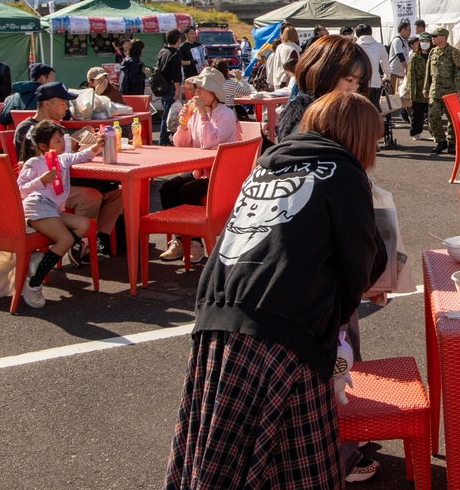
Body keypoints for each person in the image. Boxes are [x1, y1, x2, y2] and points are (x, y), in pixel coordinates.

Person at [164, 92, 388, 489]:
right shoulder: (344, 173)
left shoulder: (265, 168)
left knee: (218, 459)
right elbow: (361, 264)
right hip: (283, 331)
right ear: (360, 137)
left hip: (216, 321)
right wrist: (336, 319)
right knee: (298, 471)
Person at [17, 121, 104, 308]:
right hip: (36, 206)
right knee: (64, 239)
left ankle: (42, 259)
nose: (63, 144)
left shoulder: (63, 159)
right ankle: (34, 283)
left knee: (83, 224)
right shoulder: (35, 162)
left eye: (62, 139)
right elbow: (19, 189)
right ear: (42, 146)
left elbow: (81, 155)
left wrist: (97, 146)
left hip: (52, 209)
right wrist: (41, 180)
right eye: (57, 141)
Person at [159, 68, 239, 262]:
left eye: (202, 89)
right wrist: (184, 124)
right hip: (200, 171)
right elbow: (182, 145)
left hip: (220, 174)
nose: (197, 94)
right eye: (196, 89)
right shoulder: (195, 114)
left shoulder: (226, 114)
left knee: (188, 190)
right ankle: (179, 239)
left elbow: (210, 141)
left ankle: (196, 241)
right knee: (167, 188)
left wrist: (203, 115)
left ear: (214, 93)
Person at [275, 35, 371, 142]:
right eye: (349, 80)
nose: (354, 88)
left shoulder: (342, 113)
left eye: (359, 83)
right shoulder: (305, 118)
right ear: (322, 72)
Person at [423, 27, 460, 155]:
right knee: (432, 116)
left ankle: (452, 142)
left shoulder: (454, 52)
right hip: (435, 91)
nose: (433, 38)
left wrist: (459, 89)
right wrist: (426, 87)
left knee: (452, 119)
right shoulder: (433, 52)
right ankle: (441, 141)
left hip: (450, 92)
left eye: (435, 36)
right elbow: (428, 72)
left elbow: (459, 71)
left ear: (443, 37)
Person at [0, 62, 55, 126]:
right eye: (52, 78)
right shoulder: (50, 96)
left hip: (19, 134)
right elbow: (65, 115)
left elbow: (2, 119)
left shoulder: (16, 96)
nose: (54, 81)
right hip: (43, 133)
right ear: (42, 78)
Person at [155, 30, 185, 146]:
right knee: (169, 114)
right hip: (171, 86)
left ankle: (169, 137)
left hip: (162, 86)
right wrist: (177, 89)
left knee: (169, 112)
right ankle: (163, 139)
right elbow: (175, 74)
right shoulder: (175, 54)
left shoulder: (162, 52)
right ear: (178, 40)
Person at [354, 23, 389, 110]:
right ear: (371, 33)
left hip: (357, 82)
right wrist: (387, 76)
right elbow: (385, 64)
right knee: (373, 110)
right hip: (375, 82)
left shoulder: (354, 46)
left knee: (358, 110)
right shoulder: (379, 46)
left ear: (357, 34)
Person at [406, 33, 431, 139]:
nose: (425, 44)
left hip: (432, 89)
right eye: (423, 41)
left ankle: (435, 133)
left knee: (433, 113)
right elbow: (411, 75)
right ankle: (416, 131)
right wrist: (410, 91)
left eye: (427, 41)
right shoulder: (415, 57)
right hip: (418, 90)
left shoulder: (434, 56)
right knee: (417, 113)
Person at [389, 20, 411, 114]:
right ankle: (391, 114)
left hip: (403, 72)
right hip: (396, 72)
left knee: (404, 95)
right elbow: (400, 56)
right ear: (403, 30)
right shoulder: (397, 40)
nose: (410, 32)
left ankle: (407, 113)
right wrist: (407, 69)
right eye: (408, 30)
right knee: (396, 95)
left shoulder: (405, 41)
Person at [270, 25, 302, 90]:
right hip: (288, 81)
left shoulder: (280, 47)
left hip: (278, 78)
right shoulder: (292, 49)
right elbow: (292, 68)